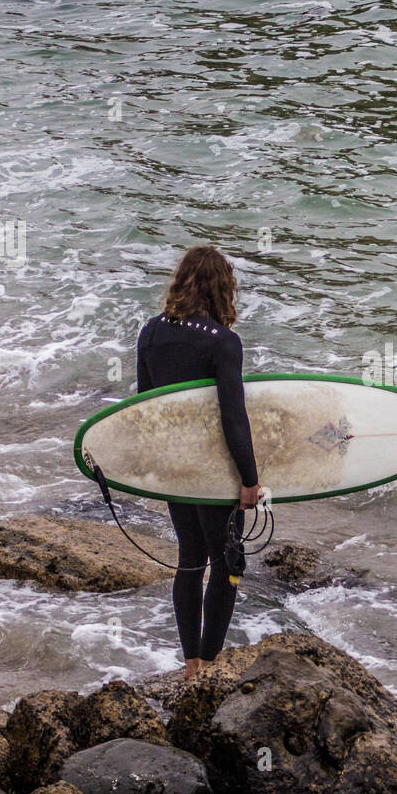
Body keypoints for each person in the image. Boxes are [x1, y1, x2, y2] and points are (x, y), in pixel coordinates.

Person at [136, 245, 260, 679]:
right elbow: (233, 416)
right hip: (213, 471)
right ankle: (209, 661)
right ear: (223, 289)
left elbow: (144, 408)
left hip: (174, 469)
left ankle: (190, 661)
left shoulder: (151, 332)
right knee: (227, 561)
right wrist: (249, 479)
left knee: (191, 558)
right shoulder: (224, 343)